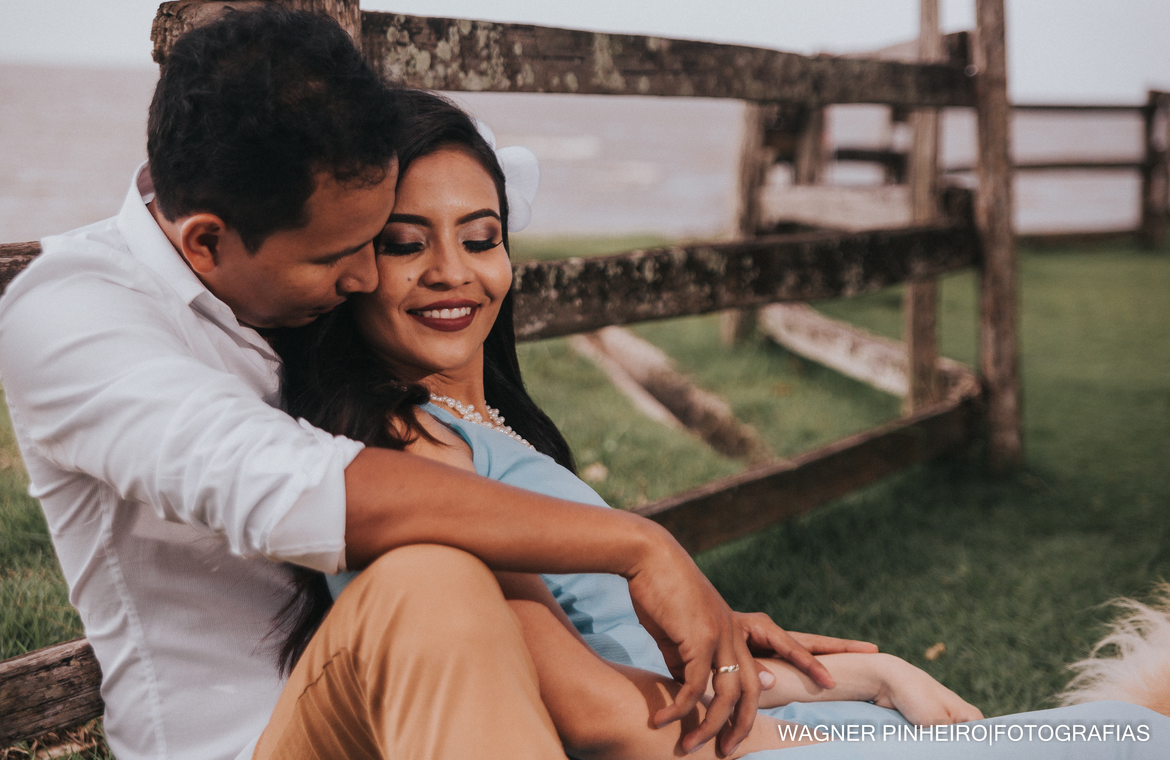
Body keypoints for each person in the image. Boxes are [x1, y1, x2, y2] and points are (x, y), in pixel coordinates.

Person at [0, 6, 849, 760]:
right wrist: (638, 547)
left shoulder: (290, 290)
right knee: (426, 575)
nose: (369, 277)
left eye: (379, 240)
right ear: (207, 243)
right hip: (257, 742)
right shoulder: (74, 315)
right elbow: (294, 489)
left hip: (442, 707)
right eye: (343, 255)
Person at [274, 88, 1170, 758]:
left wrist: (874, 673)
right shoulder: (416, 454)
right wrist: (839, 743)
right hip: (718, 748)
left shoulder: (488, 428)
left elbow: (635, 649)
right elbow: (595, 715)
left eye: (478, 237)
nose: (452, 272)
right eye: (405, 243)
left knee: (1129, 725)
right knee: (1134, 735)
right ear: (352, 266)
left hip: (744, 717)